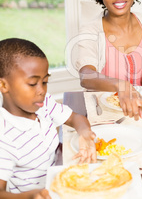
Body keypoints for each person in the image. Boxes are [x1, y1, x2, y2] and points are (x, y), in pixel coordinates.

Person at [0, 38, 97, 198]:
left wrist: (84, 132)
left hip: (61, 179)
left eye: (44, 82)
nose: (41, 91)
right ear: (3, 85)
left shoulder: (43, 104)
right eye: (32, 84)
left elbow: (75, 118)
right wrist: (30, 196)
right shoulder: (4, 136)